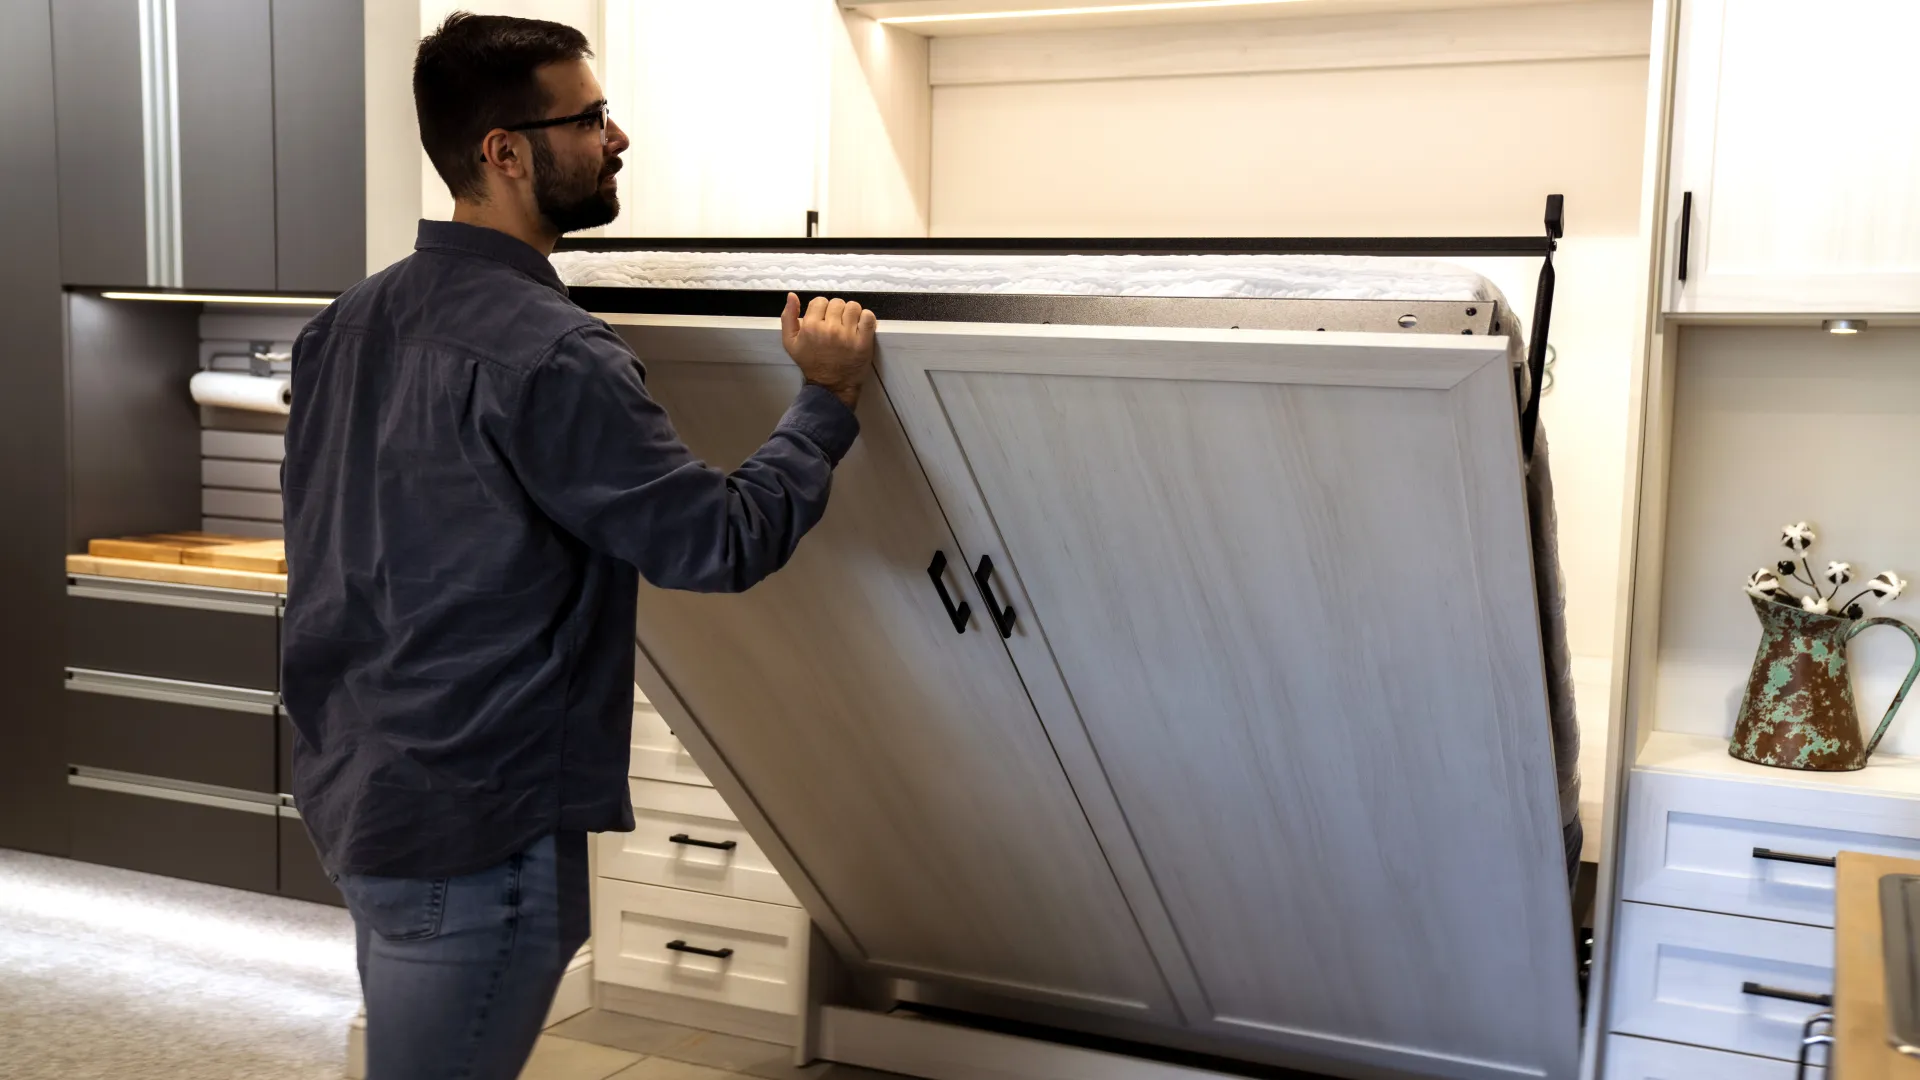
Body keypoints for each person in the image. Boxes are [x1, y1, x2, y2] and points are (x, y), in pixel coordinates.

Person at [279, 13, 876, 1079]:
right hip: (476, 828)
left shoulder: (345, 323)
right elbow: (721, 543)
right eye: (590, 116)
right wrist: (826, 400)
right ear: (505, 152)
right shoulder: (554, 355)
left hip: (364, 794)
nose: (619, 138)